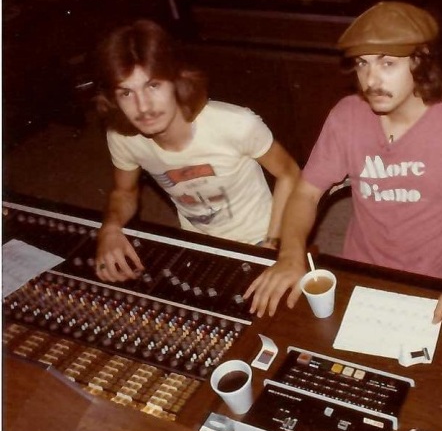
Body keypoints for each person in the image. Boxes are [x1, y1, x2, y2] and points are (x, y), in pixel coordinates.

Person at [244, 1, 442, 353]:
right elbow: (305, 193)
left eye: (387, 63)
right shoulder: (346, 116)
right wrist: (291, 254)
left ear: (420, 60)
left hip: (434, 281)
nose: (371, 80)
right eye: (363, 64)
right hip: (358, 272)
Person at [94, 19, 300, 282]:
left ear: (176, 80)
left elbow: (290, 173)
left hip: (261, 237)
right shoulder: (123, 137)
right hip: (197, 242)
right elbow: (124, 192)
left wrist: (271, 243)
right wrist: (110, 228)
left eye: (153, 85)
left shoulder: (236, 124)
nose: (143, 107)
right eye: (126, 93)